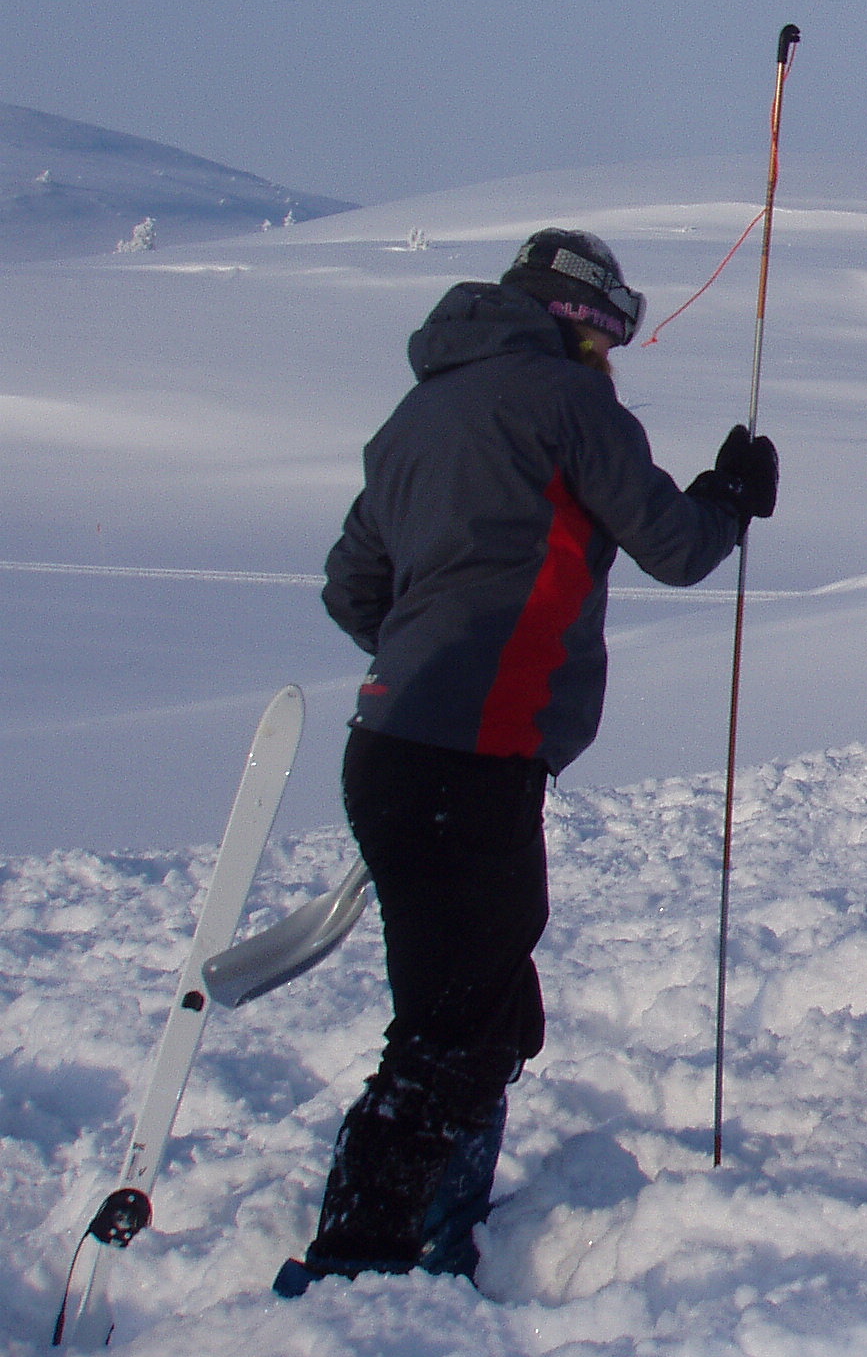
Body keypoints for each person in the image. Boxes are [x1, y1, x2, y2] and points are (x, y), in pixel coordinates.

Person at [276, 229, 778, 1295]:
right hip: (477, 753)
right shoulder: (566, 401)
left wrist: (426, 658)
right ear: (583, 322)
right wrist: (729, 497)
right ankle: (358, 1261)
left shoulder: (418, 412)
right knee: (456, 1025)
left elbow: (350, 589)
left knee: (477, 998)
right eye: (610, 336)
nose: (612, 358)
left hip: (392, 748)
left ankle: (440, 1224)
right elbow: (677, 548)